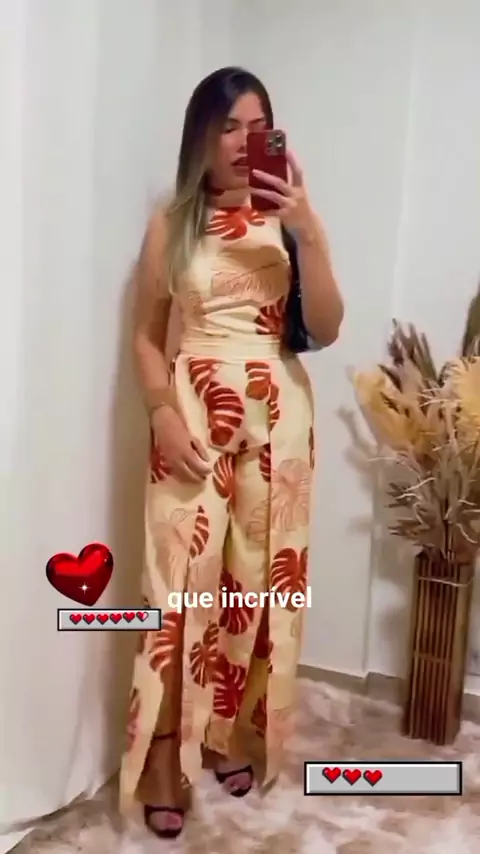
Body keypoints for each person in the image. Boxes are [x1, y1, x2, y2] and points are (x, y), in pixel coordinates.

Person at [119, 66, 344, 839]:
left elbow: (328, 326)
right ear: (202, 138)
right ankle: (162, 758)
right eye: (230, 127)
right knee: (178, 586)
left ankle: (228, 732)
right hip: (192, 412)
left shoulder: (289, 217)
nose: (247, 142)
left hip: (279, 419)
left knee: (256, 582)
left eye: (259, 126)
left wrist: (309, 229)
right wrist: (160, 414)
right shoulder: (172, 223)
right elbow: (147, 337)